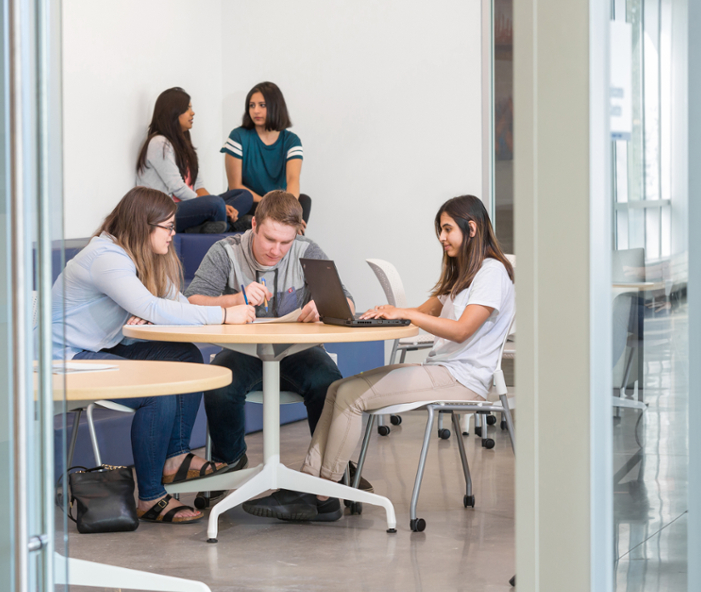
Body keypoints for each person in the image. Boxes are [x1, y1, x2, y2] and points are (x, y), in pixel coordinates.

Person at [241, 195, 515, 522]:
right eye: (440, 230)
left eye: (447, 229)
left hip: (462, 381)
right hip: (443, 371)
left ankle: (324, 492)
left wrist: (404, 314)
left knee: (352, 397)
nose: (441, 238)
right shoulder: (464, 273)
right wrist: (387, 313)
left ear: (471, 228)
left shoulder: (492, 272)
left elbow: (461, 330)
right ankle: (310, 485)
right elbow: (425, 311)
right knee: (337, 389)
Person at [52, 186, 256, 524]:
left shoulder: (139, 257)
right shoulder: (106, 257)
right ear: (144, 225)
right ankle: (150, 496)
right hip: (65, 358)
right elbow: (152, 307)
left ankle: (174, 457)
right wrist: (222, 315)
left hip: (99, 346)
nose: (174, 235)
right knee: (156, 390)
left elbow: (175, 305)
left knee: (187, 357)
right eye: (169, 227)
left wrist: (223, 304)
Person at [184, 191, 350, 470]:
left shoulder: (306, 250)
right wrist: (237, 299)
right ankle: (230, 463)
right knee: (219, 388)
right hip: (243, 352)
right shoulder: (226, 251)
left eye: (286, 242)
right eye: (269, 239)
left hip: (299, 352)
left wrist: (325, 307)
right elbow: (193, 302)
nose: (276, 250)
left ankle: (330, 469)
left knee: (330, 385)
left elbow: (346, 302)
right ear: (253, 226)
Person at [136, 87, 252, 234]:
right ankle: (229, 225)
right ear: (172, 112)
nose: (193, 113)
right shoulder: (159, 143)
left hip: (187, 206)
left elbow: (198, 186)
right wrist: (217, 204)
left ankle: (206, 225)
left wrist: (217, 205)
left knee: (243, 195)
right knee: (215, 203)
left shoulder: (185, 145)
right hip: (163, 213)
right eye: (187, 109)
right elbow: (177, 187)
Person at [221, 82, 312, 231]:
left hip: (279, 204)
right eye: (252, 105)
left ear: (276, 107)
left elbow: (293, 179)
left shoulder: (291, 141)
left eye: (262, 105)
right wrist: (271, 205)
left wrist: (289, 208)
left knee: (304, 201)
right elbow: (235, 186)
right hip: (251, 203)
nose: (256, 110)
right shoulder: (238, 136)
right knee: (244, 201)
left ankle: (284, 233)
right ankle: (251, 221)